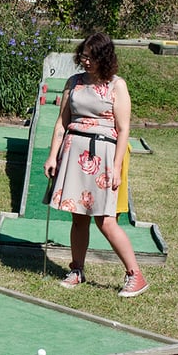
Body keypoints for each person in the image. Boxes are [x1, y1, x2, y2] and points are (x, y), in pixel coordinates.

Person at [43, 32, 149, 297]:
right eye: (83, 56)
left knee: (105, 220)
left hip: (103, 154)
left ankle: (135, 275)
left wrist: (115, 166)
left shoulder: (117, 86)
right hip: (72, 150)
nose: (86, 62)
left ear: (104, 58)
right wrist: (52, 154)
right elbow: (62, 121)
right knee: (78, 217)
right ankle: (77, 270)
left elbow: (123, 129)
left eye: (91, 57)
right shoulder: (74, 82)